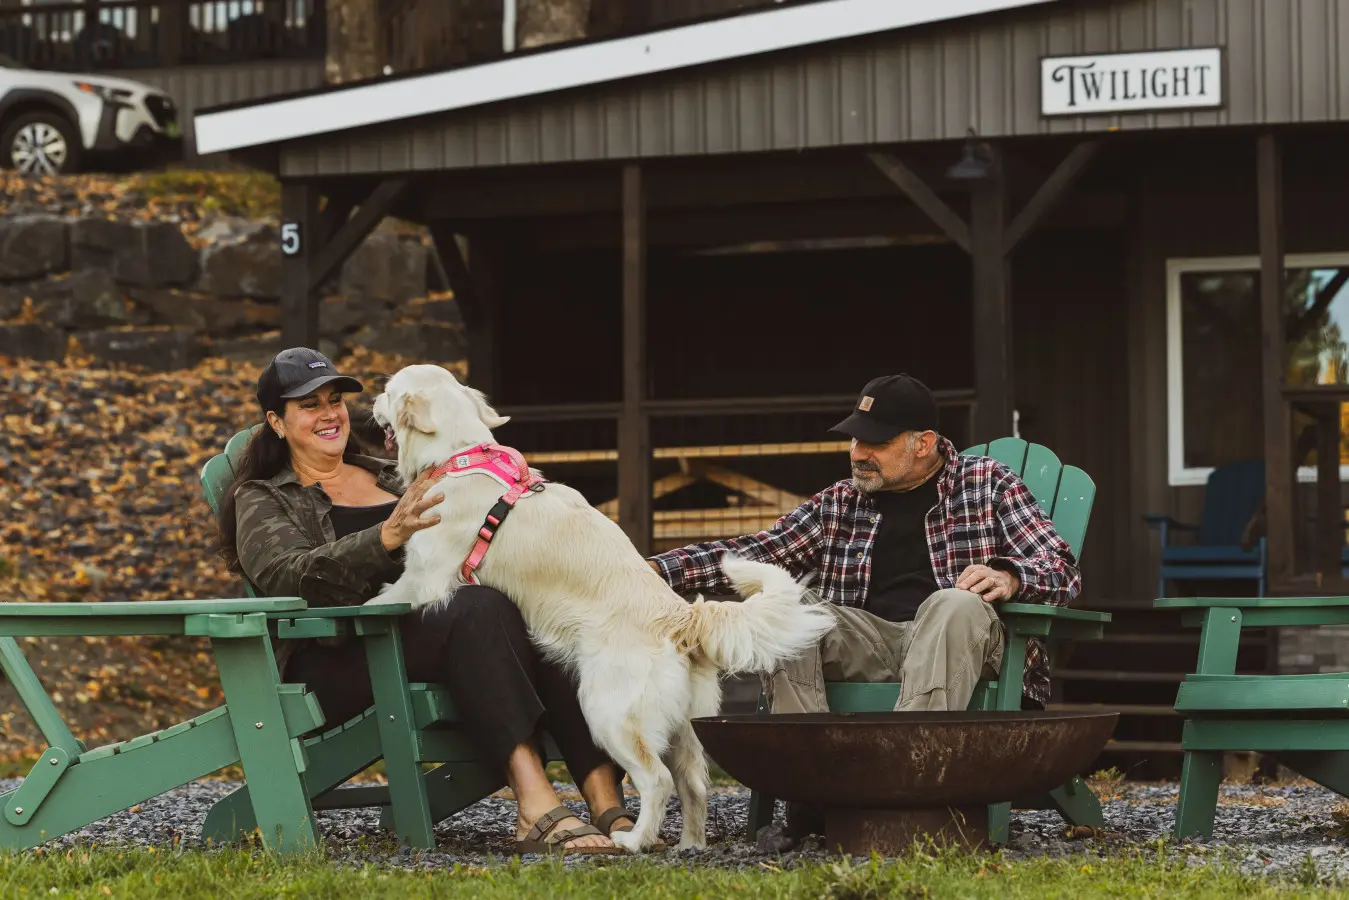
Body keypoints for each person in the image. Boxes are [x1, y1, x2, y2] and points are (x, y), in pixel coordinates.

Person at [217, 347, 644, 857]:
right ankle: (534, 803)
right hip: (337, 656)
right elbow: (289, 577)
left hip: (445, 642)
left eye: (334, 400)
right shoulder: (264, 498)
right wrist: (384, 537)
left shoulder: (393, 475)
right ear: (277, 422)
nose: (330, 414)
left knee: (547, 614)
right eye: (308, 405)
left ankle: (605, 799)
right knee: (478, 608)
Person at [647, 374, 1081, 839]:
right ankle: (813, 793)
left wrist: (1009, 575)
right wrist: (653, 571)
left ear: (923, 444)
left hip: (962, 642)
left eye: (875, 441)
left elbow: (1061, 568)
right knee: (792, 608)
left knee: (954, 602)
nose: (857, 452)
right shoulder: (839, 502)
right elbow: (758, 552)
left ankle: (909, 791)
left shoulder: (987, 484)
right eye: (855, 437)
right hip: (869, 643)